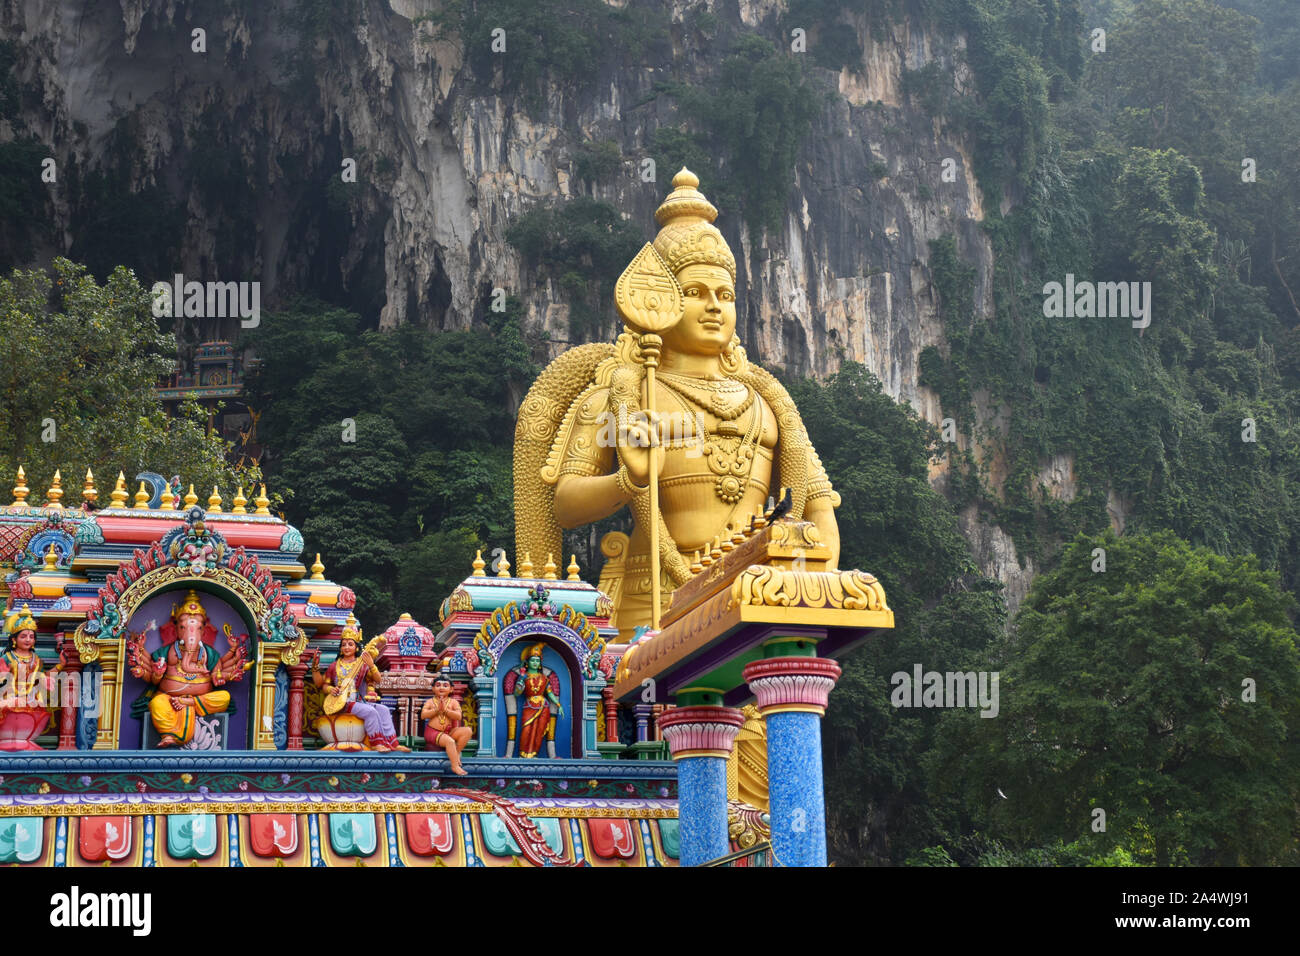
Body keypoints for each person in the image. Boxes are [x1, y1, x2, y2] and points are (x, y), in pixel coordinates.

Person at [514, 168, 840, 638]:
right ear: (660, 300)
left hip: (757, 594)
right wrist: (628, 479)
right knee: (650, 707)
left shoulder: (768, 404)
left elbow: (817, 509)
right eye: (695, 293)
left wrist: (815, 582)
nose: (714, 306)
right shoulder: (627, 393)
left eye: (725, 295)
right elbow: (564, 504)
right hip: (651, 598)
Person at [129, 590, 249, 747]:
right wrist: (157, 674)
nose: (190, 633)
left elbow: (217, 674)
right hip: (169, 698)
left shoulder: (209, 654)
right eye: (183, 627)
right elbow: (153, 679)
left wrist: (220, 676)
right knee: (157, 703)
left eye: (198, 628)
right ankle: (169, 734)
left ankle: (190, 702)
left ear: (203, 631)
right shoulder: (165, 652)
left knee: (224, 697)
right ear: (177, 630)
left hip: (199, 700)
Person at [318, 621, 408, 753]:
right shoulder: (334, 665)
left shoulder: (362, 664)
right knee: (370, 712)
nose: (347, 647)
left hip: (358, 700)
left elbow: (378, 679)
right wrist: (331, 689)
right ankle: (376, 743)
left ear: (356, 647)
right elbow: (325, 685)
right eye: (344, 645)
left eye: (350, 644)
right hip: (342, 703)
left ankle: (393, 743)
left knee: (383, 709)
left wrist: (371, 664)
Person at [0, 604, 55, 749]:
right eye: (23, 636)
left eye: (31, 636)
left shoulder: (36, 659)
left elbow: (42, 678)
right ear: (14, 639)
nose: (28, 640)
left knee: (41, 710)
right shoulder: (7, 658)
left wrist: (60, 666)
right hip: (9, 699)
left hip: (30, 700)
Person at [421, 673, 472, 774]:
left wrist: (446, 711)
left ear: (451, 689)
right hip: (433, 732)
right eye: (438, 685)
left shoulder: (453, 702)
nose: (441, 688)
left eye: (445, 685)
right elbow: (423, 715)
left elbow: (458, 716)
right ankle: (455, 766)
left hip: (448, 731)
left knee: (467, 731)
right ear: (433, 688)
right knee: (450, 742)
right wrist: (436, 710)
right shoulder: (430, 702)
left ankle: (456, 753)